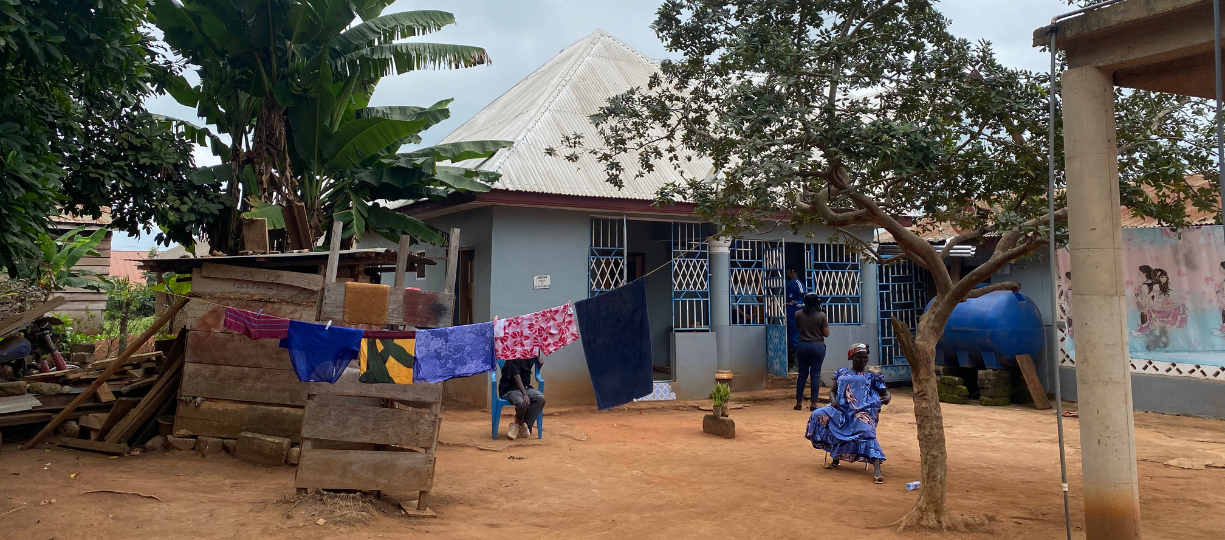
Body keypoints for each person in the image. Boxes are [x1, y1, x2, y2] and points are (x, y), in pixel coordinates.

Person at [805, 343, 891, 484]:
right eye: (859, 358)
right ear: (851, 358)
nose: (863, 360)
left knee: (866, 431)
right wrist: (833, 401)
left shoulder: (872, 376)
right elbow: (832, 391)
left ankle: (876, 468)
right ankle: (835, 459)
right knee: (819, 415)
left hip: (863, 411)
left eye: (865, 358)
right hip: (841, 409)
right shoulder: (842, 373)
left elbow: (885, 392)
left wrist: (887, 398)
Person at [794, 293, 829, 411]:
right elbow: (826, 334)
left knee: (802, 374)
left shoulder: (798, 314)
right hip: (818, 346)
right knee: (815, 375)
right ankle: (814, 403)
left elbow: (799, 328)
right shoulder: (821, 315)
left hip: (803, 345)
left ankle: (798, 402)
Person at [499, 356, 545, 440]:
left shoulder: (528, 355)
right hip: (510, 389)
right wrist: (525, 394)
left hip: (526, 387)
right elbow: (516, 376)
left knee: (540, 398)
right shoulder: (512, 356)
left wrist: (539, 357)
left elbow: (536, 346)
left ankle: (523, 425)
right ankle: (519, 423)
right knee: (522, 402)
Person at [785, 269, 806, 371]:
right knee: (788, 338)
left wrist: (795, 302)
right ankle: (789, 364)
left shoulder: (798, 283)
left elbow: (803, 299)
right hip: (788, 315)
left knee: (795, 339)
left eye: (788, 272)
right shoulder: (788, 284)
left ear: (792, 272)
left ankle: (795, 366)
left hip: (795, 316)